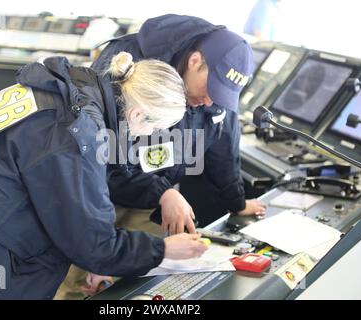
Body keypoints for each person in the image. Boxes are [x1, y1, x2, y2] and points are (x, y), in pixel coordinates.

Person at [0, 52, 208, 300]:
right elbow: (93, 243)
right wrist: (162, 250)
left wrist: (162, 192)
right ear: (136, 114)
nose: (153, 137)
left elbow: (85, 184)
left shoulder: (70, 89)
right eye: (157, 129)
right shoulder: (76, 132)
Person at [55, 14, 267, 300]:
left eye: (221, 96)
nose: (210, 101)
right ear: (194, 62)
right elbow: (99, 157)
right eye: (211, 90)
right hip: (98, 197)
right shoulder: (126, 67)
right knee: (78, 286)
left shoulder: (213, 94)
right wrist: (103, 253)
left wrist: (236, 201)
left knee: (137, 289)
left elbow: (223, 148)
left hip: (150, 202)